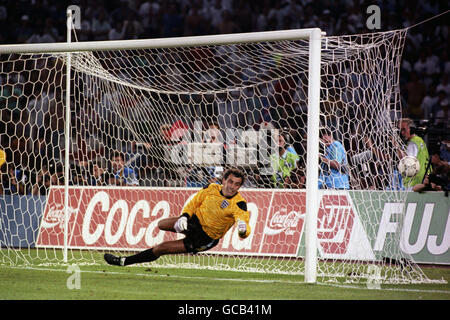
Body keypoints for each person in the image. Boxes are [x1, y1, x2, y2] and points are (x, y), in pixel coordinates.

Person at [104, 168, 250, 266]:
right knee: (161, 224)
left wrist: (243, 231)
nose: (232, 186)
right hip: (194, 223)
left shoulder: (239, 204)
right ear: (223, 180)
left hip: (205, 238)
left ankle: (123, 261)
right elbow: (194, 203)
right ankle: (184, 223)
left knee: (160, 249)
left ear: (240, 187)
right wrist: (184, 217)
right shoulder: (211, 188)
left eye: (237, 184)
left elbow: (243, 223)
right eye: (230, 181)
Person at [397, 118, 430, 187]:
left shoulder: (412, 143)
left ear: (411, 130)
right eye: (400, 130)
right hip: (422, 178)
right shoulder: (419, 140)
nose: (402, 133)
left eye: (404, 129)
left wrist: (396, 146)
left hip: (413, 182)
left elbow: (407, 161)